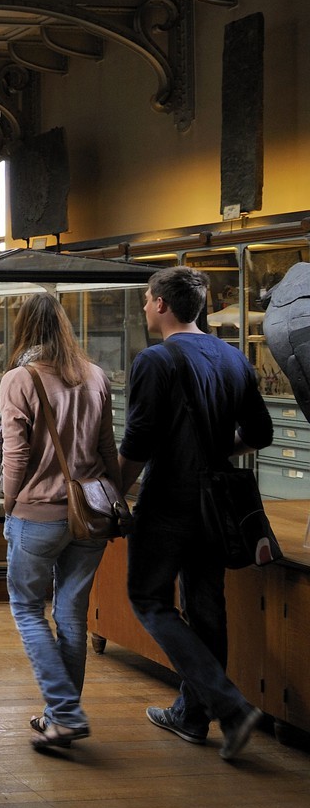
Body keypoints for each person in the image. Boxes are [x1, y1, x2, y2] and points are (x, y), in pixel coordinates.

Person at [119, 266, 272, 760]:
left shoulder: (155, 360)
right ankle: (191, 716)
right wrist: (214, 449)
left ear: (162, 304)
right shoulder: (233, 358)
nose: (145, 306)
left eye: (147, 299)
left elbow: (138, 443)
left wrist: (113, 495)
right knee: (207, 606)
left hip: (167, 501)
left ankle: (229, 706)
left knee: (149, 599)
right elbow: (260, 433)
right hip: (217, 503)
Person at [0, 293, 119, 751]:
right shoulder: (96, 375)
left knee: (27, 608)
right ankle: (59, 716)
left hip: (38, 513)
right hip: (91, 513)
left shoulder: (20, 378)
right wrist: (114, 497)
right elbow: (109, 448)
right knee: (70, 613)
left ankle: (65, 714)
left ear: (23, 328)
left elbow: (16, 453)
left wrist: (9, 505)